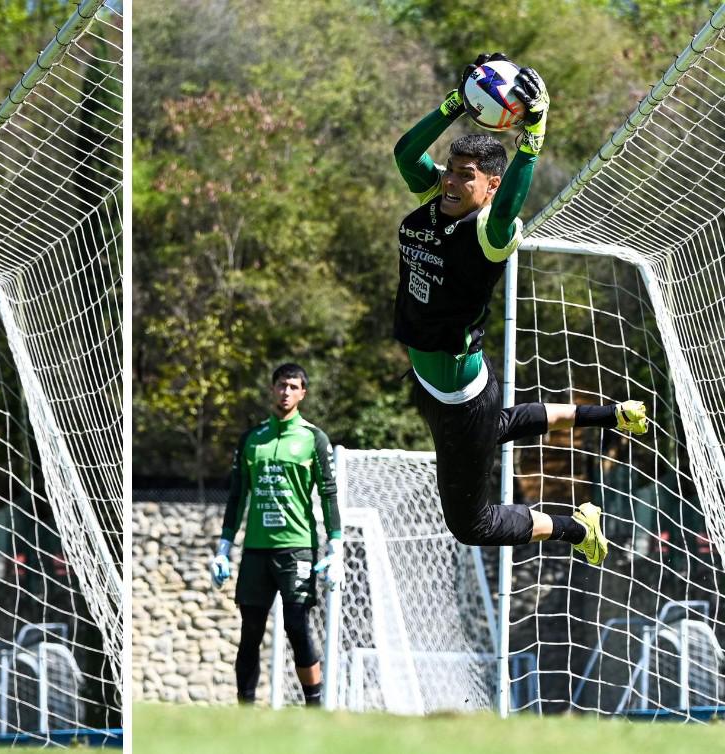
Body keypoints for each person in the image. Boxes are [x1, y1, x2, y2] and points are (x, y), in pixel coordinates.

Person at [392, 53, 648, 564]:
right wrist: (455, 103)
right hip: (440, 384)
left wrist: (533, 133)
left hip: (459, 395)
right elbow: (405, 152)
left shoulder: (489, 230)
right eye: (450, 171)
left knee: (473, 524)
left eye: (466, 177)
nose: (450, 182)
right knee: (501, 423)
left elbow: (510, 204)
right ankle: (610, 415)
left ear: (489, 187)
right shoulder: (434, 201)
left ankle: (573, 526)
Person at [209, 363, 342, 706]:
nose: (286, 392)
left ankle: (314, 707)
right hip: (255, 551)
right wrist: (224, 547)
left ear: (303, 394)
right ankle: (245, 711)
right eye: (281, 385)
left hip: (297, 549)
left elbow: (328, 494)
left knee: (297, 627)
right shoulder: (252, 439)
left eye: (293, 386)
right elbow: (238, 496)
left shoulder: (314, 438)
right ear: (272, 389)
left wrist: (336, 546)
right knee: (250, 632)